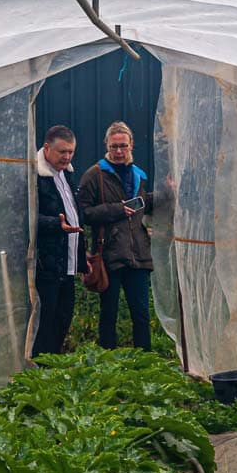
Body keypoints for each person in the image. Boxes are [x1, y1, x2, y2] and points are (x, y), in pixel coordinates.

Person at [77, 121, 172, 351]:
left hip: (138, 254)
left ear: (131, 145)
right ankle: (106, 361)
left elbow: (142, 204)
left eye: (123, 146)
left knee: (141, 315)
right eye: (114, 146)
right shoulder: (94, 175)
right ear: (106, 146)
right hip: (109, 254)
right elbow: (83, 213)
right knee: (108, 313)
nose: (119, 151)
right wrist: (116, 209)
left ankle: (145, 362)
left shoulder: (137, 174)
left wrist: (167, 192)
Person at [31, 124, 84, 357]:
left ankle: (54, 365)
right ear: (46, 148)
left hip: (67, 263)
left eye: (71, 151)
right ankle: (40, 366)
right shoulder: (35, 176)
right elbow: (24, 217)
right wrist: (55, 224)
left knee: (64, 317)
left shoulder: (67, 174)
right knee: (46, 319)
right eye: (62, 151)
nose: (67, 157)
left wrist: (82, 257)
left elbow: (76, 215)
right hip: (46, 263)